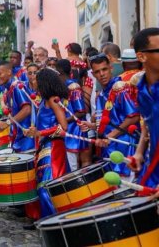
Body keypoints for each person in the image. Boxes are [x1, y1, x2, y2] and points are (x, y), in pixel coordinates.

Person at [79, 53, 140, 178]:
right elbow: (108, 122)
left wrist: (111, 135)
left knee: (126, 186)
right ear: (93, 74)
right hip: (109, 147)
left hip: (124, 145)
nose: (101, 74)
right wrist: (91, 126)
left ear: (111, 68)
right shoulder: (100, 95)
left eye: (104, 69)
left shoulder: (120, 89)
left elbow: (134, 117)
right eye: (97, 71)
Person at [25, 68, 69, 219]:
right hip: (45, 146)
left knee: (48, 187)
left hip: (54, 147)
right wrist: (32, 130)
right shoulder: (44, 101)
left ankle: (53, 221)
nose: (33, 81)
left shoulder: (53, 100)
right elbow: (43, 126)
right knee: (41, 185)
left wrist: (40, 133)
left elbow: (63, 126)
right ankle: (44, 219)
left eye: (37, 79)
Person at [129, 28, 159, 196]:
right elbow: (147, 125)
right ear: (141, 57)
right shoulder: (141, 89)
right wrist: (139, 153)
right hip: (153, 171)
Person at [56, 59, 88, 170]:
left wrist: (64, 121)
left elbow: (80, 112)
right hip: (67, 129)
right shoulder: (63, 86)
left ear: (59, 72)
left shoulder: (74, 87)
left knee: (72, 164)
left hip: (74, 130)